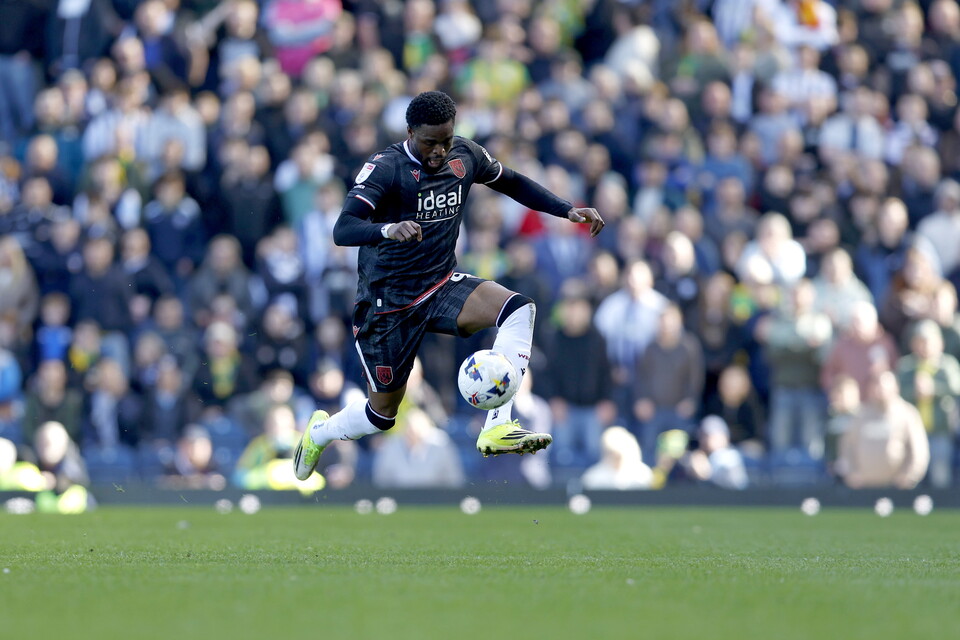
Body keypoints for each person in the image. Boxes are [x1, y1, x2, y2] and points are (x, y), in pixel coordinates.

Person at [293, 91, 604, 481]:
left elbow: (511, 182)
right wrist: (387, 229)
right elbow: (342, 229)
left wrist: (566, 209)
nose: (439, 151)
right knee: (381, 416)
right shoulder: (386, 168)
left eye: (446, 140)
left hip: (440, 284)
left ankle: (497, 424)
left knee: (519, 308)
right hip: (388, 304)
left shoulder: (466, 155)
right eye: (429, 142)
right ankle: (319, 433)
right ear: (409, 133)